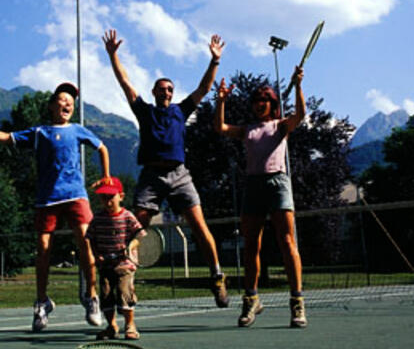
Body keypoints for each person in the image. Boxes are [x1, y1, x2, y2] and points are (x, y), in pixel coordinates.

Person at [0, 82, 110, 332]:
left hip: (76, 196)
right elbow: (7, 138)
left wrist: (106, 176)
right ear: (51, 105)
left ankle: (92, 298)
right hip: (47, 199)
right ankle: (42, 302)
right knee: (43, 251)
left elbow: (102, 148)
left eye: (71, 101)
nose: (67, 103)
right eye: (62, 99)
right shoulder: (40, 132)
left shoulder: (78, 130)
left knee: (86, 244)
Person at [102, 29, 229, 308]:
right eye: (162, 89)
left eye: (170, 88)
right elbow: (125, 82)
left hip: (180, 175)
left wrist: (215, 61)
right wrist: (113, 55)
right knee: (136, 227)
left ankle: (217, 276)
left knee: (199, 225)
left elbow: (204, 88)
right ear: (154, 92)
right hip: (151, 176)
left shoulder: (180, 111)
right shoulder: (144, 111)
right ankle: (124, 280)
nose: (166, 92)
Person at [213, 66, 308, 328]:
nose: (259, 105)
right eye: (255, 101)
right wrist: (221, 101)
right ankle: (251, 299)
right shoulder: (247, 129)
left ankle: (297, 302)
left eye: (264, 101)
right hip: (253, 185)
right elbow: (220, 127)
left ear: (272, 103)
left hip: (278, 182)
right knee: (251, 245)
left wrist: (298, 85)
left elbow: (300, 114)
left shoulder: (280, 126)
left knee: (287, 241)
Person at [85, 177, 146, 341]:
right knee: (105, 296)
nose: (107, 201)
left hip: (125, 265)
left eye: (111, 197)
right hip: (105, 265)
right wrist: (96, 254)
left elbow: (139, 236)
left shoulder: (128, 216)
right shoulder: (97, 219)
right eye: (104, 197)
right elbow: (90, 238)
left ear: (121, 196)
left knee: (123, 292)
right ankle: (112, 326)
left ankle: (130, 325)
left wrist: (131, 246)